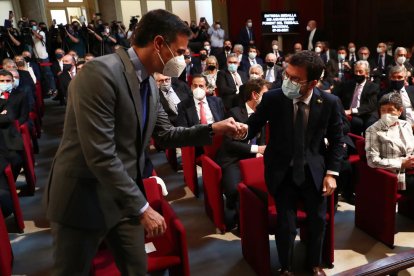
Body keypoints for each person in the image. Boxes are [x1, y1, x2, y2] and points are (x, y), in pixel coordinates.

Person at [44, 9, 240, 276]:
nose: (183, 59)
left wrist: (214, 128)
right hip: (83, 198)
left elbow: (165, 135)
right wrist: (142, 206)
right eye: (180, 51)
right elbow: (101, 154)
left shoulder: (148, 81)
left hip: (123, 197)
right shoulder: (100, 74)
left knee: (137, 269)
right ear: (159, 43)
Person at [239, 50, 343, 275]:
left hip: (314, 170)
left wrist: (332, 173)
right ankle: (285, 267)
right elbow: (253, 126)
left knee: (317, 221)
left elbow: (337, 141)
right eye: (287, 75)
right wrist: (239, 131)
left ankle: (314, 264)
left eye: (296, 79)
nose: (288, 82)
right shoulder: (273, 98)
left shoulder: (329, 102)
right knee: (285, 224)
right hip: (281, 170)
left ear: (313, 82)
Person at [215, 79, 269, 228]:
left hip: (253, 159)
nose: (269, 98)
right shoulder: (234, 113)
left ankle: (258, 221)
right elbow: (230, 143)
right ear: (255, 95)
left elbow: (262, 140)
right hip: (233, 160)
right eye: (266, 94)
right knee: (234, 190)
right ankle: (239, 221)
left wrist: (259, 152)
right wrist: (256, 150)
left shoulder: (262, 114)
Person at [366, 92, 414, 195]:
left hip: (411, 169)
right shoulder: (372, 130)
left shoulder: (406, 125)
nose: (386, 114)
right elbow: (372, 161)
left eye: (390, 110)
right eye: (383, 111)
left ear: (400, 111)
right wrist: (401, 163)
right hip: (394, 174)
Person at [333, 60, 379, 134]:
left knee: (364, 123)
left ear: (367, 74)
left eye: (360, 72)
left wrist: (352, 111)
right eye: (356, 71)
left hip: (364, 113)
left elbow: (370, 105)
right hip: (347, 113)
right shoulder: (347, 84)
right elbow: (335, 96)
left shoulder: (373, 87)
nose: (358, 74)